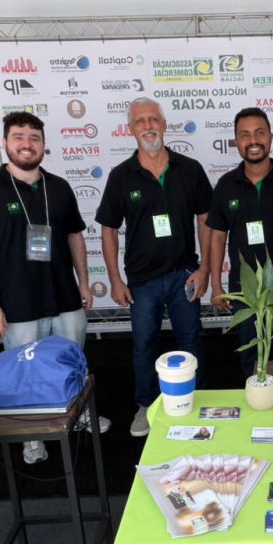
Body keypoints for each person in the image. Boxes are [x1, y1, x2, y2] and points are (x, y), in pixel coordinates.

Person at [0, 112, 111, 465]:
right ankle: (32, 437)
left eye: (34, 138)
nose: (27, 144)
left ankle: (79, 414)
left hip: (65, 298)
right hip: (17, 304)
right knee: (24, 374)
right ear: (5, 143)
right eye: (19, 137)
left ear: (43, 145)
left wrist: (84, 283)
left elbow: (74, 236)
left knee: (72, 362)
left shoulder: (59, 187)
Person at [96, 98, 211, 437]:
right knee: (144, 344)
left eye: (153, 119)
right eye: (140, 121)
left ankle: (198, 401)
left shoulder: (190, 169)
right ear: (130, 129)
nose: (148, 126)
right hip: (142, 281)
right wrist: (115, 280)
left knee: (191, 341)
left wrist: (204, 269)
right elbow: (108, 229)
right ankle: (147, 405)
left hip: (184, 275)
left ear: (164, 124)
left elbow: (206, 220)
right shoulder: (121, 176)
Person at [207, 107, 273, 381]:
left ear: (271, 137)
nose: (253, 140)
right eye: (245, 135)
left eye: (259, 133)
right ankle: (256, 401)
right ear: (236, 141)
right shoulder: (225, 185)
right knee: (251, 358)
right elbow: (217, 236)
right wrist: (216, 286)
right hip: (245, 292)